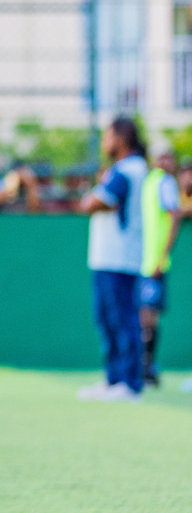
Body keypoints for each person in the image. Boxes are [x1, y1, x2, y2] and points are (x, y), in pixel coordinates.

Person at [77, 117, 150, 402]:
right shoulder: (124, 169)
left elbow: (94, 202)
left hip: (119, 258)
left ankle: (129, 383)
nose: (104, 142)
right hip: (107, 258)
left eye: (108, 136)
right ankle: (114, 378)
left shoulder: (127, 169)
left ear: (120, 137)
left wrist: (94, 194)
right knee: (108, 319)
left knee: (122, 319)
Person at [139, 146, 181, 388]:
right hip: (142, 262)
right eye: (161, 157)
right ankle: (143, 368)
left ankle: (148, 369)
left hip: (155, 264)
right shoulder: (150, 182)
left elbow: (174, 216)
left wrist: (161, 257)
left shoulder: (165, 183)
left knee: (148, 316)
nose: (165, 161)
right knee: (142, 315)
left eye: (169, 157)